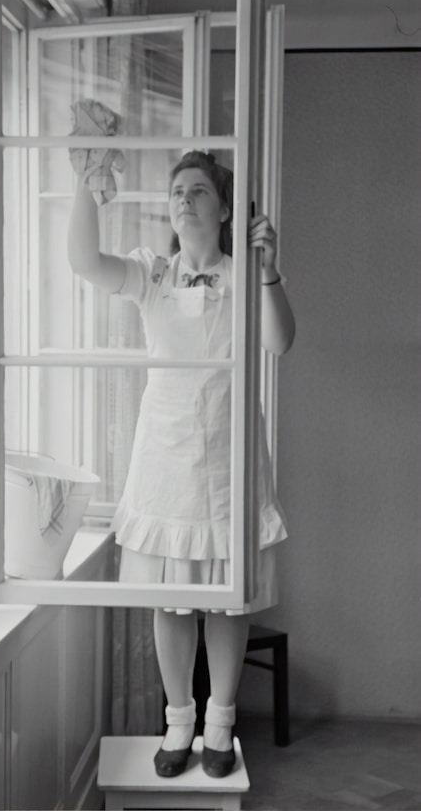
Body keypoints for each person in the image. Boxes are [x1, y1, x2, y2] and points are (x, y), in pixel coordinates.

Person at [67, 147, 295, 779]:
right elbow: (84, 261)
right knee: (170, 600)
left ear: (223, 208)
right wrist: (87, 185)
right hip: (164, 458)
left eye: (198, 190)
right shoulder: (153, 273)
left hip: (229, 458)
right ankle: (179, 724)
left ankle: (220, 728)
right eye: (177, 191)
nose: (185, 199)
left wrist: (270, 269)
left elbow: (280, 342)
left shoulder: (244, 273)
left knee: (227, 601)